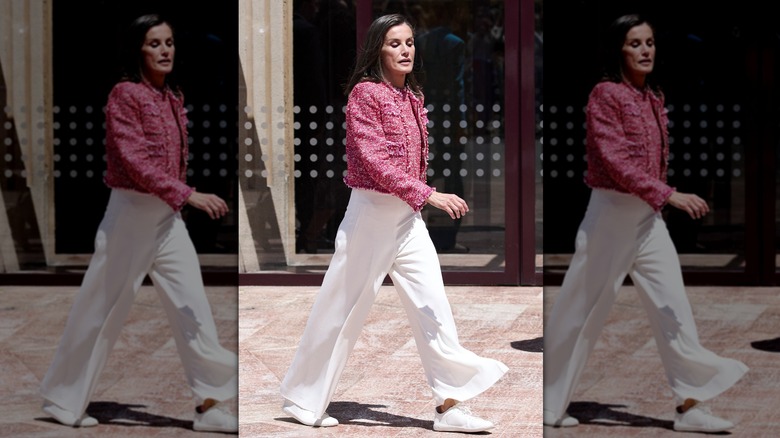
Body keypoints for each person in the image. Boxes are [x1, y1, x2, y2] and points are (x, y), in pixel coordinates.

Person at [279, 13, 508, 433]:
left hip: (407, 218)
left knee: (432, 307)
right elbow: (375, 161)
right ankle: (302, 398)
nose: (405, 50)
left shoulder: (412, 95)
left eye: (409, 43)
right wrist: (430, 193)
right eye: (394, 44)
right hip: (370, 215)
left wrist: (419, 199)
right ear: (377, 51)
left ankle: (449, 405)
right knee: (342, 310)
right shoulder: (365, 95)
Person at [542, 14, 748, 433]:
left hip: (647, 221)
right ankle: (547, 403)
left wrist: (658, 199)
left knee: (674, 308)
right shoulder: (606, 94)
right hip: (610, 217)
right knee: (580, 311)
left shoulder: (651, 95)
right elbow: (615, 160)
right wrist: (668, 194)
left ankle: (690, 406)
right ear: (619, 48)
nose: (646, 50)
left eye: (650, 42)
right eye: (635, 43)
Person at [39, 14, 238, 433]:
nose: (165, 50)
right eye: (154, 44)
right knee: (100, 310)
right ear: (138, 50)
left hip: (166, 219)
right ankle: (63, 398)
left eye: (169, 42)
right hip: (129, 216)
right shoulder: (124, 95)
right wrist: (189, 194)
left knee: (194, 309)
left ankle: (209, 405)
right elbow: (134, 161)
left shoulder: (172, 96)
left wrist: (179, 199)